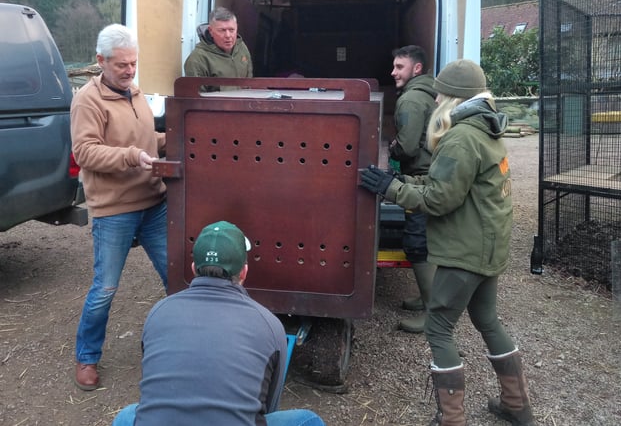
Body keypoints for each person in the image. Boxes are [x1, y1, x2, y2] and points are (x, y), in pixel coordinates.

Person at [360, 59, 536, 425]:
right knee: (487, 319)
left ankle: (451, 419)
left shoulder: (460, 137)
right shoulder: (485, 128)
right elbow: (445, 184)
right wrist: (396, 184)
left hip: (466, 249)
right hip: (488, 244)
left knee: (439, 326)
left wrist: (390, 189)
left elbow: (439, 199)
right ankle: (517, 407)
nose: (436, 95)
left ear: (453, 97)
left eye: (441, 90)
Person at [111, 221, 325, 426]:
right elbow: (268, 405)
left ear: (194, 268)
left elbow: (153, 381)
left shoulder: (158, 312)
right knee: (308, 420)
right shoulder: (269, 323)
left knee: (127, 415)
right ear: (243, 272)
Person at [71, 24, 168, 391]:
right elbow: (85, 151)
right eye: (122, 65)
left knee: (175, 278)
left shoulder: (136, 94)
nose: (129, 71)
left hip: (154, 203)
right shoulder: (87, 100)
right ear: (101, 61)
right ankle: (87, 357)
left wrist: (171, 139)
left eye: (133, 64)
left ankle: (180, 346)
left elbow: (145, 139)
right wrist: (131, 157)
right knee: (106, 287)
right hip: (115, 209)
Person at [388, 45, 437, 333]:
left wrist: (391, 149)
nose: (393, 72)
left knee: (418, 243)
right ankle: (426, 297)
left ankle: (433, 314)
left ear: (416, 69)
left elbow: (406, 147)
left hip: (421, 176)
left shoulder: (411, 101)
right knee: (427, 241)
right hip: (431, 174)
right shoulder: (429, 93)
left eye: (399, 67)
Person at [183, 6, 253, 88]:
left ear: (237, 27)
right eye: (222, 30)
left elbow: (249, 82)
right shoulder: (197, 59)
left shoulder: (241, 47)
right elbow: (196, 97)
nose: (228, 35)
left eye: (231, 30)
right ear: (210, 31)